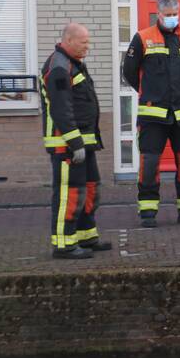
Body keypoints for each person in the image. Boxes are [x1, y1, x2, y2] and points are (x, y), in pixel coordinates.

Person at [121, 0, 180, 228]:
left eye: (175, 14)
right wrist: (148, 92)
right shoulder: (142, 38)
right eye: (167, 15)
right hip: (153, 115)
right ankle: (148, 212)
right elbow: (129, 71)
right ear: (158, 14)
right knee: (150, 164)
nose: (172, 18)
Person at [41, 23, 111, 259]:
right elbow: (61, 110)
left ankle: (85, 236)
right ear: (69, 41)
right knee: (69, 194)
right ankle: (64, 244)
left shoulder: (72, 64)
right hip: (68, 145)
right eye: (84, 43)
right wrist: (75, 143)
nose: (87, 47)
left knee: (90, 189)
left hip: (83, 143)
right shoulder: (59, 68)